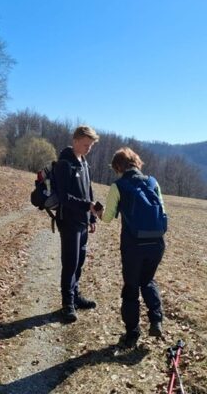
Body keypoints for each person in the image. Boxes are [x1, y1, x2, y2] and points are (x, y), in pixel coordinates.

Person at [96, 147, 165, 348]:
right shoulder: (153, 182)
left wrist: (97, 212)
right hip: (157, 243)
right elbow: (162, 211)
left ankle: (132, 333)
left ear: (118, 167)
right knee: (148, 280)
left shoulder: (118, 186)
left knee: (131, 287)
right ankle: (156, 320)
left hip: (133, 245)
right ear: (137, 162)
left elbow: (107, 218)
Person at [54, 126, 99, 322]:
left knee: (79, 261)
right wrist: (86, 206)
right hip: (68, 221)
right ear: (75, 141)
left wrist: (92, 217)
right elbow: (64, 197)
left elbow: (88, 190)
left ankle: (76, 296)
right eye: (86, 145)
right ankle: (67, 304)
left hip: (82, 221)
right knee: (70, 263)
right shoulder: (65, 163)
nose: (89, 149)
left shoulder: (84, 162)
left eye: (91, 146)